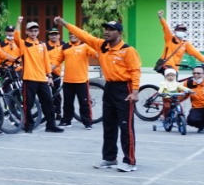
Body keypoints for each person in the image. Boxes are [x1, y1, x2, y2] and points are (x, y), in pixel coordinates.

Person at [56, 17, 141, 171]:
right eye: (106, 29)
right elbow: (84, 36)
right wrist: (65, 24)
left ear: (119, 33)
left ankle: (130, 161)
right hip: (109, 88)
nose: (107, 32)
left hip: (124, 89)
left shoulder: (128, 50)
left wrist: (135, 92)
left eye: (111, 30)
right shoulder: (102, 46)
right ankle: (109, 158)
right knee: (108, 125)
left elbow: (135, 71)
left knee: (125, 126)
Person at [14, 18, 63, 133]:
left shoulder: (42, 45)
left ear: (38, 32)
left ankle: (51, 125)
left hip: (42, 79)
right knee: (28, 104)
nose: (33, 33)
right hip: (29, 78)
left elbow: (46, 61)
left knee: (48, 102)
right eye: (31, 31)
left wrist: (49, 76)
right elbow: (16, 36)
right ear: (26, 32)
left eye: (35, 31)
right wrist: (18, 23)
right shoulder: (23, 44)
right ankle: (28, 125)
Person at [52, 30, 95, 128]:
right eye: (70, 34)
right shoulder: (65, 46)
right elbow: (58, 60)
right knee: (67, 103)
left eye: (74, 34)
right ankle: (66, 121)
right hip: (68, 80)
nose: (72, 36)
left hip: (82, 81)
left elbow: (95, 54)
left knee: (84, 103)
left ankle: (87, 123)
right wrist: (48, 70)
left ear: (79, 36)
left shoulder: (85, 46)